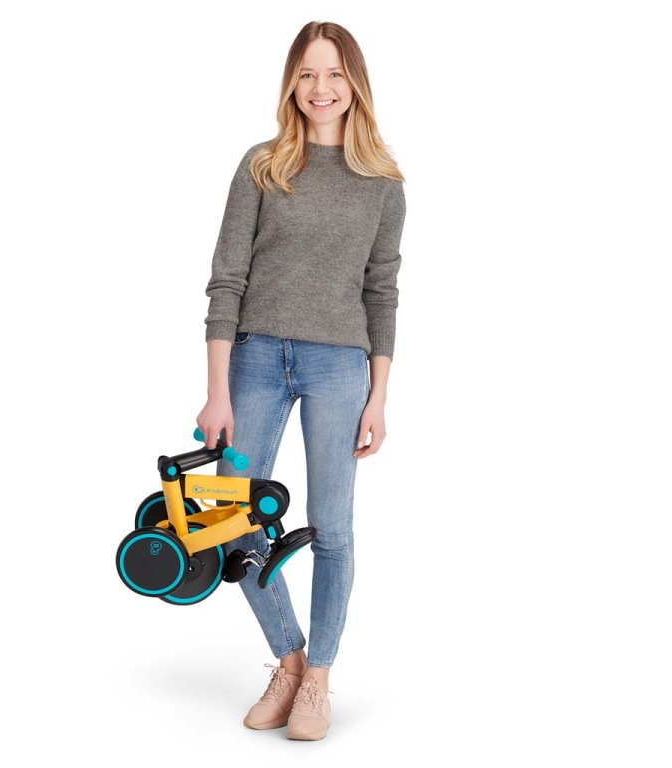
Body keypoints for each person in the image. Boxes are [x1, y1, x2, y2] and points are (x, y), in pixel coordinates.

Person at [195, 20, 406, 741]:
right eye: (308, 73)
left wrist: (379, 395)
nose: (321, 88)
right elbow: (226, 279)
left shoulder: (382, 184)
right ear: (292, 82)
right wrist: (217, 390)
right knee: (230, 520)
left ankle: (318, 677)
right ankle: (288, 658)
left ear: (356, 85)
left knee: (333, 529)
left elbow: (381, 292)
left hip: (338, 365)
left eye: (335, 73)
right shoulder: (262, 166)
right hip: (255, 359)